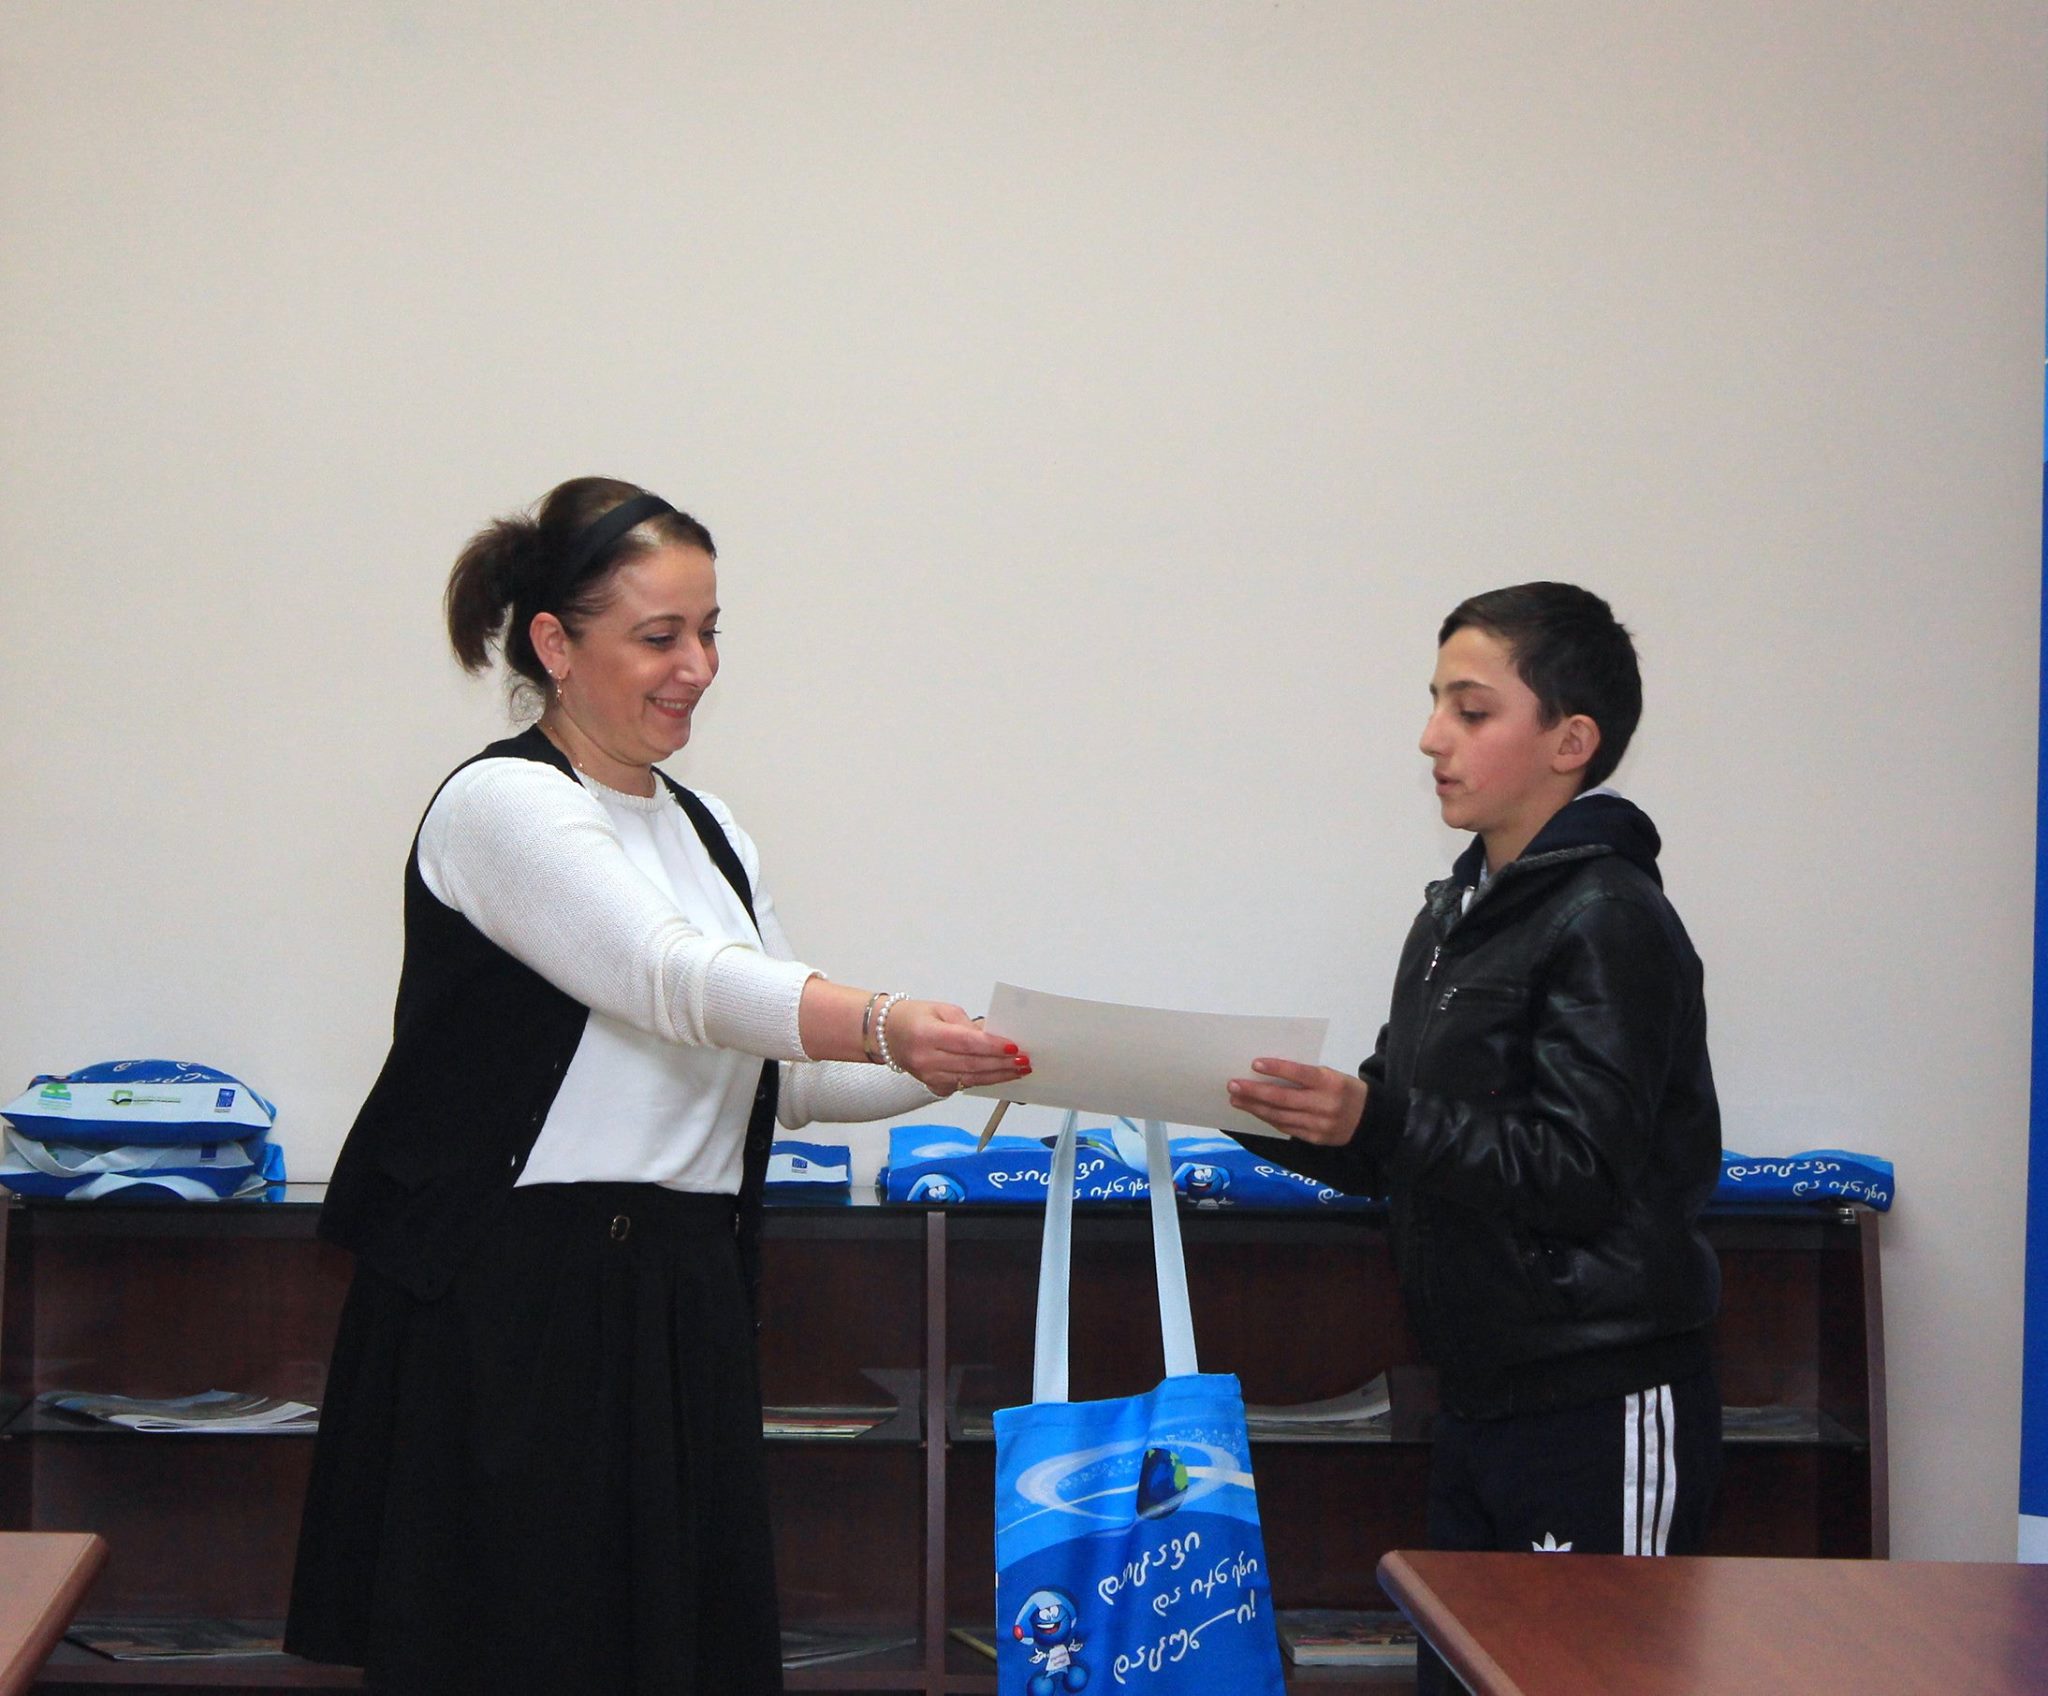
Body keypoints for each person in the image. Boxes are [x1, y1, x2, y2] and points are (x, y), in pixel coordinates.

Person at [284, 476, 1029, 1695]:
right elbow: (671, 979)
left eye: (710, 631)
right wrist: (884, 1018)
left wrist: (948, 1061)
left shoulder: (708, 828)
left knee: (671, 1659)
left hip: (678, 1295)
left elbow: (777, 1082)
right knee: (514, 1656)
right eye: (659, 636)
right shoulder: (503, 804)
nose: (697, 667)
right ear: (553, 644)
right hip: (513, 1307)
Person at [1225, 583, 1721, 1690]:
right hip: (1481, 1393)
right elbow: (1398, 1144)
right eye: (1434, 702)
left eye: (1470, 708)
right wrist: (1231, 1099)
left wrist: (1379, 1116)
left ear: (1569, 742)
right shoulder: (1454, 914)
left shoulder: (1609, 916)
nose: (1430, 737)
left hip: (1597, 1397)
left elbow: (1578, 1171)